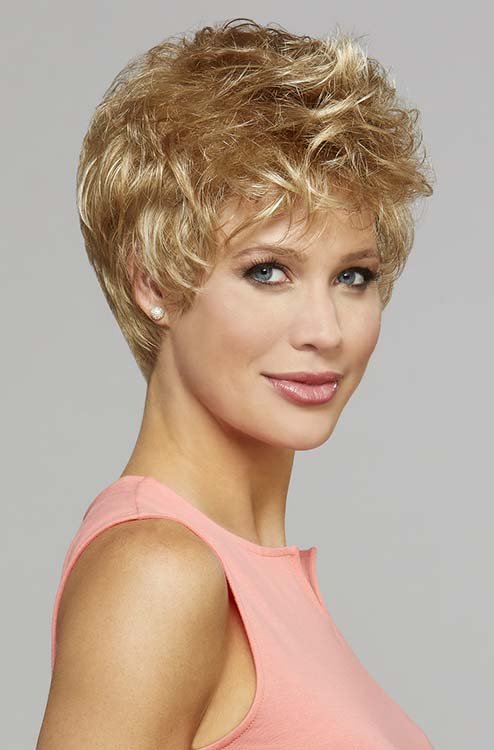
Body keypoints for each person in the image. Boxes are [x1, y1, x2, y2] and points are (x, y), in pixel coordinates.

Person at [36, 17, 434, 750]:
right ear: (154, 282)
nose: (325, 330)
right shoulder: (157, 573)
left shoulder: (252, 581)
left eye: (353, 276)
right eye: (268, 271)